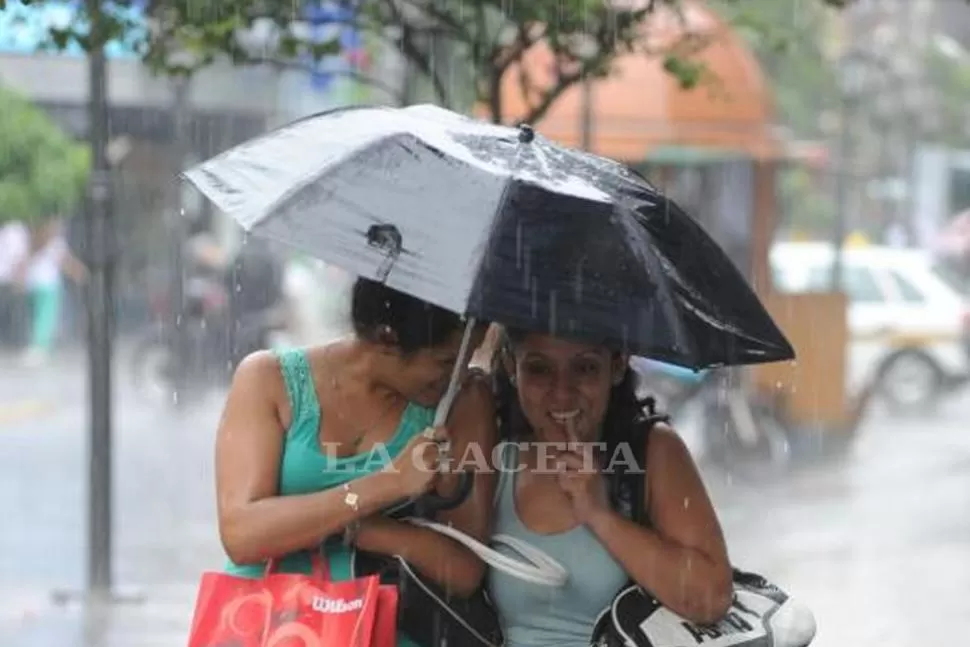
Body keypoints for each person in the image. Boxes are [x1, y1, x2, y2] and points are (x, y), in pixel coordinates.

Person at [214, 275, 497, 647]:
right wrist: (387, 485)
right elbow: (242, 535)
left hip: (385, 630)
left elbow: (463, 570)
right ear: (386, 337)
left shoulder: (460, 404)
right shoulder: (269, 381)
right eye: (445, 361)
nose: (457, 374)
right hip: (264, 623)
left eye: (467, 356)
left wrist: (352, 529)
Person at [486, 327, 733, 647]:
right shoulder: (491, 455)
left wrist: (599, 515)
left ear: (617, 365)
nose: (562, 392)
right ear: (511, 366)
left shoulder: (653, 452)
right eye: (539, 369)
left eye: (585, 367)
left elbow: (709, 599)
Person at [18, 218, 86, 365]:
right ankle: (40, 347)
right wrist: (79, 273)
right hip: (47, 286)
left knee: (39, 317)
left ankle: (39, 346)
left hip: (38, 285)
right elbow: (66, 262)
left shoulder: (40, 242)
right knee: (43, 318)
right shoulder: (51, 243)